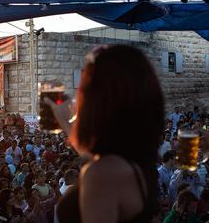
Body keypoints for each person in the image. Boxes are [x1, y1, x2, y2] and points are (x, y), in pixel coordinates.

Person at [46, 45, 165, 223]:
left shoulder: (102, 175)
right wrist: (67, 125)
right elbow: (101, 157)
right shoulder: (136, 159)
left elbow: (102, 168)